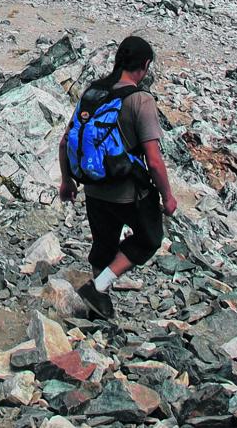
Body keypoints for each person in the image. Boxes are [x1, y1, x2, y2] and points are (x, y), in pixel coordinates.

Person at [57, 35, 177, 320]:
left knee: (103, 245)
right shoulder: (140, 100)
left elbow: (65, 141)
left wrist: (67, 181)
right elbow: (154, 160)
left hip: (94, 189)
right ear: (144, 66)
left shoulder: (93, 94)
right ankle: (98, 287)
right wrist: (168, 196)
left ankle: (99, 307)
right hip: (128, 191)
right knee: (149, 238)